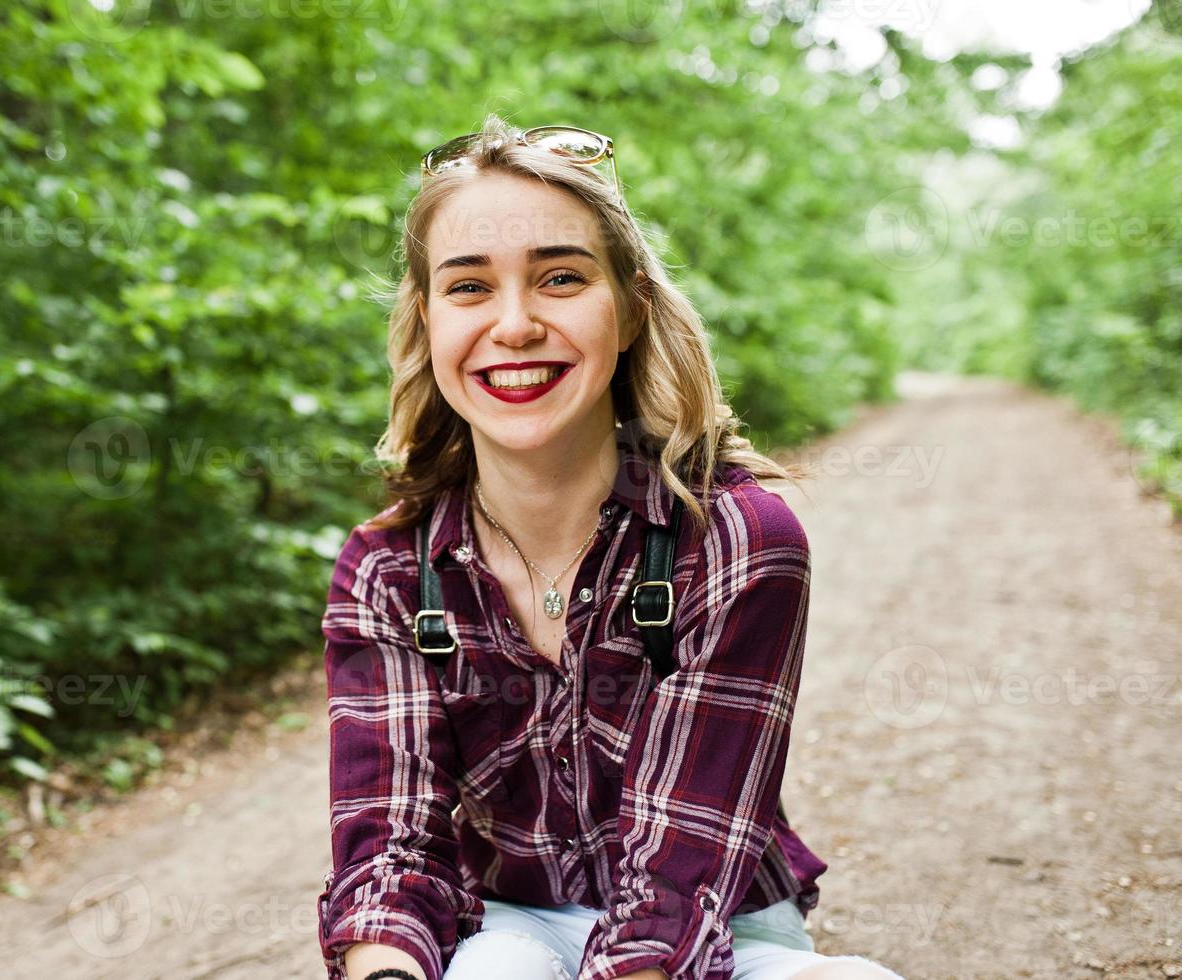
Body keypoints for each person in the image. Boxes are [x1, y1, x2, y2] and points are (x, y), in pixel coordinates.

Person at [315, 113, 905, 980]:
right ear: (426, 322)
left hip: (712, 918)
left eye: (559, 277)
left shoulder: (737, 541)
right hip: (506, 919)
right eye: (468, 287)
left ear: (629, 310)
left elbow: (677, 873)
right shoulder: (390, 571)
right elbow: (389, 851)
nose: (513, 325)